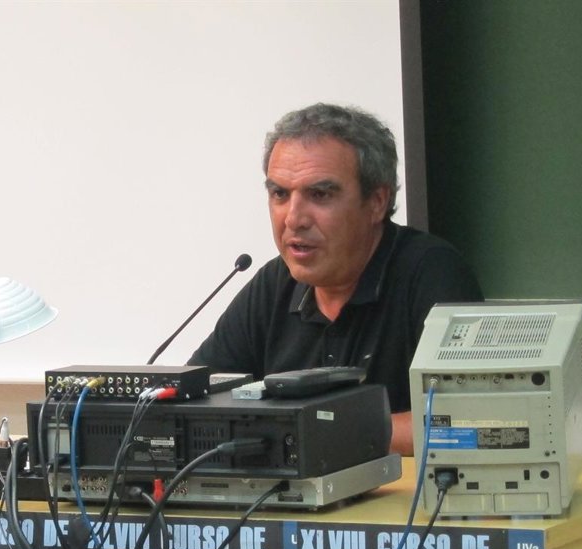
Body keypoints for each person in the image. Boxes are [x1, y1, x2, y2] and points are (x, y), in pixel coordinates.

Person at [187, 103, 482, 455]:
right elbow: (193, 403)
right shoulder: (273, 284)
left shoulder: (431, 272)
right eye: (280, 194)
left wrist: (312, 432)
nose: (294, 219)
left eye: (320, 195)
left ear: (377, 202)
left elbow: (469, 422)